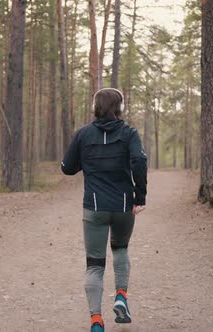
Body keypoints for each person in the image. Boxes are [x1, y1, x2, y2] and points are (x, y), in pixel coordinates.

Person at [61, 88, 148, 332]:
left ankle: (96, 321)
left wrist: (86, 161)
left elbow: (67, 168)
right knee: (120, 250)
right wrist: (139, 196)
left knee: (95, 265)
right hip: (123, 206)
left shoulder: (83, 134)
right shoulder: (129, 133)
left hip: (94, 208)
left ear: (95, 107)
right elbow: (139, 160)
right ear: (119, 108)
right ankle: (121, 296)